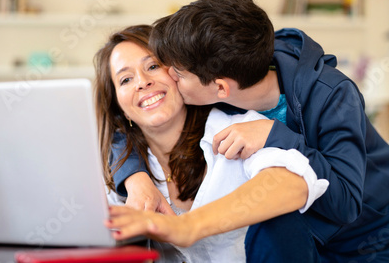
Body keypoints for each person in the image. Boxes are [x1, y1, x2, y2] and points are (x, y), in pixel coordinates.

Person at [111, 0, 389, 262]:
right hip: (312, 233)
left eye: (176, 72)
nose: (164, 77)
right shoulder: (223, 78)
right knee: (273, 226)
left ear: (220, 88)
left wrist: (275, 136)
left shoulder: (332, 94)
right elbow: (122, 126)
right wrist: (135, 178)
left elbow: (346, 202)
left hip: (375, 234)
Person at [93, 25, 328, 262]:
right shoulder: (118, 175)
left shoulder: (236, 127)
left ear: (178, 73)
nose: (142, 82)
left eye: (153, 66)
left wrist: (187, 226)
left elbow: (294, 181)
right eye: (125, 79)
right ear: (118, 106)